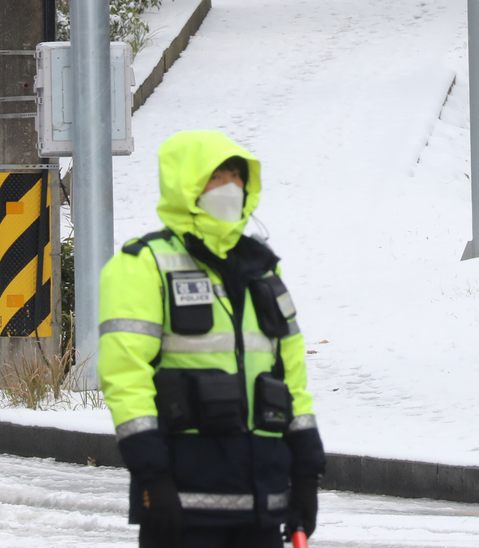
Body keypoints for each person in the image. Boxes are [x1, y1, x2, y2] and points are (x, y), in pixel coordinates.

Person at [99, 131, 325, 548]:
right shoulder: (143, 264)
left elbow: (292, 381)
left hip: (262, 507)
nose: (231, 187)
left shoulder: (263, 273)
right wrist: (153, 478)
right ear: (187, 186)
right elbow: (125, 379)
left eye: (237, 177)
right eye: (217, 177)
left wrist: (307, 476)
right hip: (182, 505)